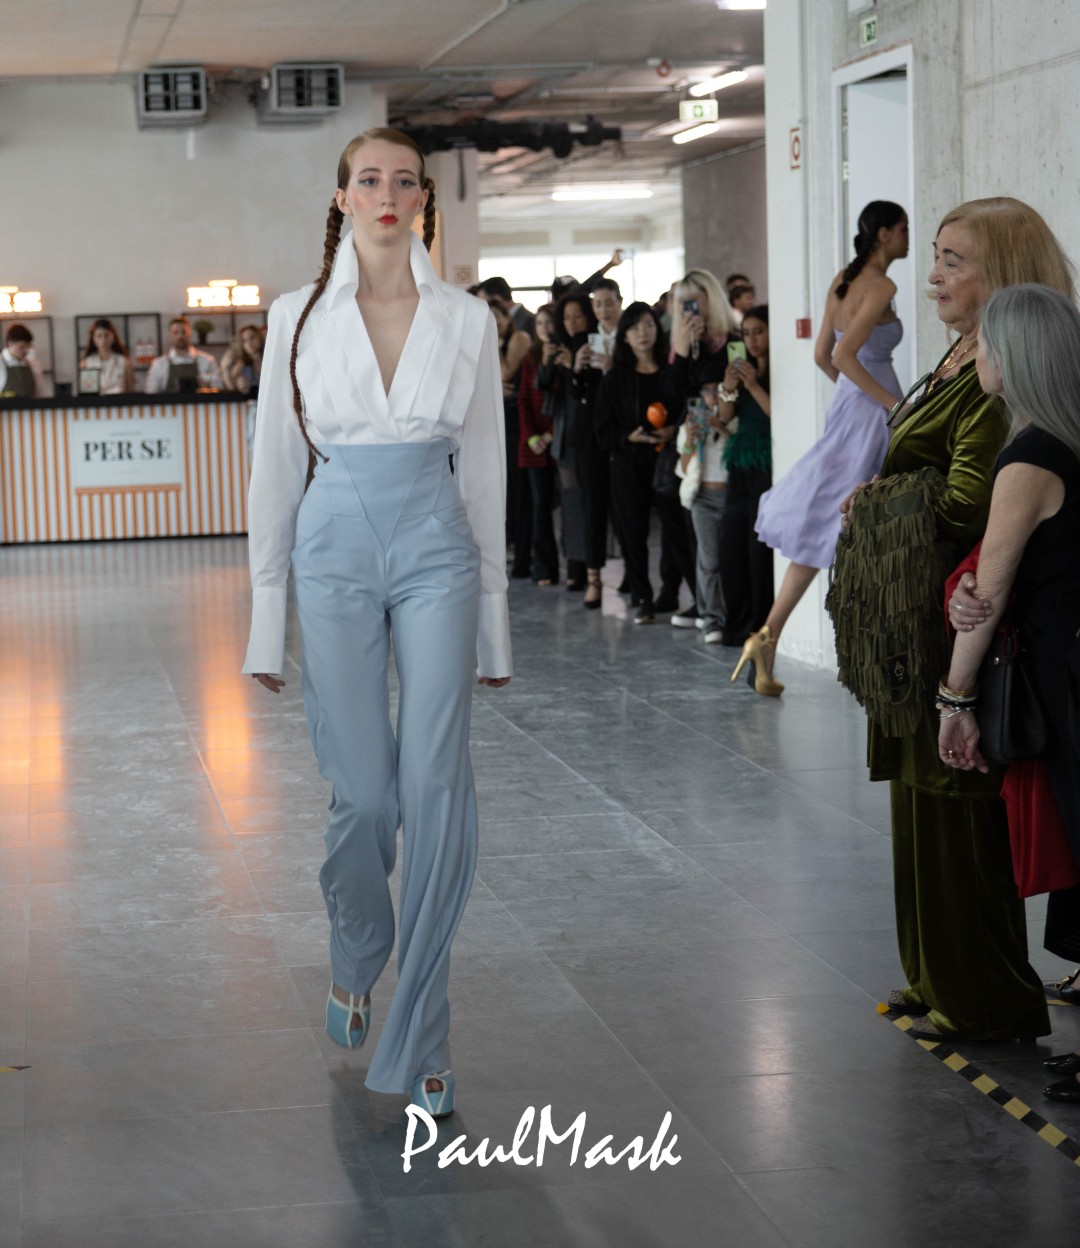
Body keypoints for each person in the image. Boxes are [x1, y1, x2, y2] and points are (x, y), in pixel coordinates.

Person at [242, 127, 511, 1118]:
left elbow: (484, 469)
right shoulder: (295, 316)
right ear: (342, 198)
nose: (387, 193)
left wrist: (495, 625)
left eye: (405, 180)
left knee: (436, 789)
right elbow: (276, 463)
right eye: (369, 179)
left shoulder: (466, 319)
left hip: (439, 543)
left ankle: (424, 1036)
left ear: (425, 198)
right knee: (362, 795)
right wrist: (264, 618)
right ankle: (357, 948)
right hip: (334, 543)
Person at [843, 197, 1074, 1045]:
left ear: (1002, 274)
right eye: (934, 255)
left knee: (955, 811)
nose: (932, 275)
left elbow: (968, 504)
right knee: (920, 807)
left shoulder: (1002, 379)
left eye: (953, 260)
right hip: (919, 618)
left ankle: (982, 996)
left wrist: (876, 503)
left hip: (960, 625)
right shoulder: (957, 358)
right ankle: (936, 973)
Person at [937, 284, 1080, 1094]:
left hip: (1066, 681)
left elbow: (985, 598)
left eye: (986, 345)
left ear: (1016, 356)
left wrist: (955, 699)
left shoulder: (1030, 457)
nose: (977, 356)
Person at [747, 201, 909, 693]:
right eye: (904, 229)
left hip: (851, 406)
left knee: (830, 524)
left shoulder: (843, 279)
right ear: (884, 234)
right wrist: (891, 404)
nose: (909, 237)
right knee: (861, 524)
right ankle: (877, 654)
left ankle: (767, 638)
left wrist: (854, 395)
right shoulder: (881, 287)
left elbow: (823, 355)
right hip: (873, 413)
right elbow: (841, 353)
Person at [594, 301, 688, 624]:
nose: (642, 333)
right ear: (625, 337)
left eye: (648, 325)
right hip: (628, 462)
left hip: (666, 461)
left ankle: (671, 591)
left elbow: (685, 411)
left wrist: (673, 430)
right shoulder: (615, 379)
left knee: (674, 530)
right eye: (634, 328)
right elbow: (602, 430)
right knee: (633, 532)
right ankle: (643, 597)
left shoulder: (670, 373)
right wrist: (628, 437)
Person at [665, 268, 739, 624]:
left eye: (695, 302)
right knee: (698, 536)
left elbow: (730, 384)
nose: (690, 311)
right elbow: (672, 398)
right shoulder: (681, 346)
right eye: (683, 304)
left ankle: (727, 608)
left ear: (711, 300)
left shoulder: (731, 340)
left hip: (727, 441)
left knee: (728, 541)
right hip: (693, 441)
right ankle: (705, 604)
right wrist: (683, 350)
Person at [713, 305, 774, 677]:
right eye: (746, 333)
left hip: (768, 462)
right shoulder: (742, 369)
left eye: (758, 331)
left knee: (758, 546)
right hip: (740, 463)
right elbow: (723, 417)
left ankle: (760, 622)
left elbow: (779, 415)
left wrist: (752, 385)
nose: (751, 340)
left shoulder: (779, 369)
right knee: (731, 541)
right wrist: (729, 387)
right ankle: (735, 622)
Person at [550, 290, 607, 607]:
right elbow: (552, 386)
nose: (572, 322)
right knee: (584, 507)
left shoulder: (602, 342)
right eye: (567, 317)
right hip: (579, 438)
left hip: (608, 433)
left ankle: (627, 578)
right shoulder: (561, 348)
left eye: (578, 316)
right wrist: (571, 368)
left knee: (612, 509)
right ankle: (590, 576)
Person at [678, 357, 735, 642]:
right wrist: (691, 440)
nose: (711, 396)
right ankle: (711, 618)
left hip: (731, 495)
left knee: (728, 559)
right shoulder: (691, 424)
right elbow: (683, 468)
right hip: (703, 497)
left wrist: (721, 427)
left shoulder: (734, 421)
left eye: (716, 389)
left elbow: (738, 454)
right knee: (709, 559)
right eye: (707, 390)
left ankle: (724, 614)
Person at [517, 303, 560, 585]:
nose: (545, 328)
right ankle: (545, 567)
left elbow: (566, 401)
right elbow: (523, 400)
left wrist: (551, 434)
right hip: (534, 446)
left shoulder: (564, 355)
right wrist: (533, 437)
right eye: (540, 323)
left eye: (549, 322)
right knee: (539, 506)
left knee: (569, 504)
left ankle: (578, 570)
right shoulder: (530, 358)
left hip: (560, 438)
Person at [490, 302, 534, 578]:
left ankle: (522, 553)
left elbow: (505, 373)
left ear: (507, 318)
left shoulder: (518, 338)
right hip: (497, 421)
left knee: (519, 491)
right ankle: (508, 546)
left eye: (496, 317)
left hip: (517, 422)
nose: (492, 323)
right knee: (502, 490)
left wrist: (494, 344)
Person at [144, 316, 222, 393]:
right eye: (176, 332)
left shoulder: (207, 361)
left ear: (190, 334)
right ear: (170, 335)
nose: (180, 336)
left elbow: (219, 388)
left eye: (184, 332)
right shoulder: (159, 364)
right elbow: (151, 394)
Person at [78, 318, 136, 395]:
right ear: (93, 339)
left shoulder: (124, 362)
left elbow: (131, 393)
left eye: (106, 335)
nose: (103, 340)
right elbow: (84, 395)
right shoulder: (85, 364)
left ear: (113, 337)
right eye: (99, 336)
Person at [0, 323, 52, 398]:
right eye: (22, 347)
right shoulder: (1, 363)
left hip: (30, 405)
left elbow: (41, 393)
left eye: (28, 347)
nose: (25, 350)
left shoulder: (33, 364)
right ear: (10, 343)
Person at [220, 323, 265, 394]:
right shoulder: (241, 364)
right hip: (251, 398)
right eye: (244, 341)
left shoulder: (268, 360)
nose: (249, 343)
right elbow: (231, 387)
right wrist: (240, 386)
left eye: (252, 337)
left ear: (260, 337)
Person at [589, 278, 623, 371]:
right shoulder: (589, 334)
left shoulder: (631, 332)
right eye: (598, 304)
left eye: (609, 304)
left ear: (620, 302)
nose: (603, 310)